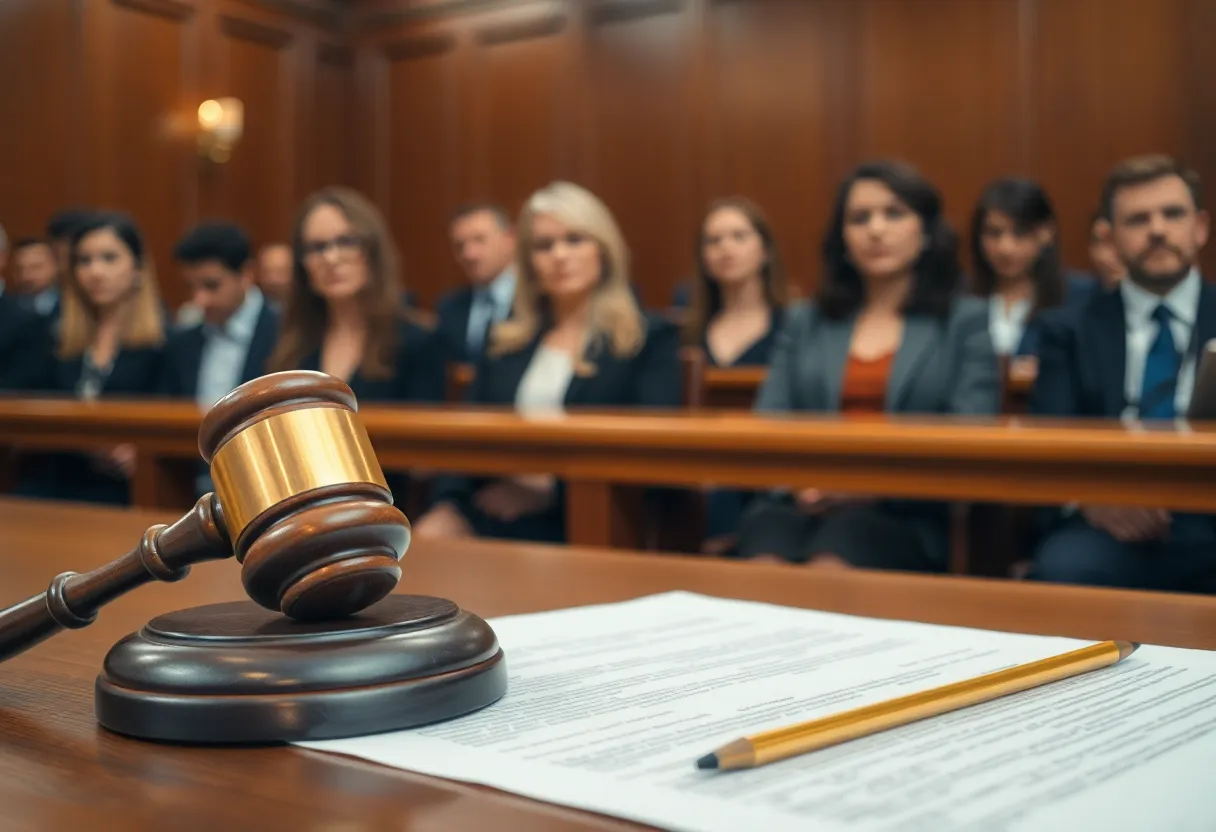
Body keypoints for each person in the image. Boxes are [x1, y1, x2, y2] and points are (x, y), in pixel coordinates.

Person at [736, 160, 1000, 572]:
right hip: (798, 500)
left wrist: (867, 488)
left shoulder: (963, 320)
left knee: (834, 560)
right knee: (762, 563)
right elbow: (769, 419)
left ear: (926, 231)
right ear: (843, 237)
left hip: (903, 510)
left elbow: (971, 435)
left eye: (894, 213)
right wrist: (801, 483)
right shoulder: (807, 320)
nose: (876, 229)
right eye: (860, 218)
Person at [414, 181, 682, 543]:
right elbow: (466, 436)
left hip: (596, 522)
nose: (559, 255)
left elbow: (653, 455)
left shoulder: (648, 338)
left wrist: (552, 491)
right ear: (529, 261)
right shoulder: (507, 342)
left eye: (574, 239)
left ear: (602, 249)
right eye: (544, 245)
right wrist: (449, 504)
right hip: (493, 515)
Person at [1029, 154, 1216, 593]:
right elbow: (1046, 446)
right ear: (1110, 239)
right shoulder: (1068, 330)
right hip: (1107, 519)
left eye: (1172, 214)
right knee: (1064, 569)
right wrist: (1094, 501)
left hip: (1210, 513)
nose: (1157, 229)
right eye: (1138, 219)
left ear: (1201, 227)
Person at [18, 211, 166, 504]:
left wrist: (139, 450)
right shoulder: (57, 341)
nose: (95, 271)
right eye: (84, 261)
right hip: (60, 482)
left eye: (109, 258)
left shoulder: (163, 343)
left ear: (137, 268)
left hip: (131, 490)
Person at [683, 197, 789, 553]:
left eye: (739, 237)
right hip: (697, 469)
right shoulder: (687, 331)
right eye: (713, 241)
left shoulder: (792, 327)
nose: (725, 249)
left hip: (768, 465)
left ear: (766, 250)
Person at [969, 178, 1099, 366]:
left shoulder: (1082, 296)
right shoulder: (959, 295)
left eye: (1020, 233)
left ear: (1046, 233)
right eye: (994, 233)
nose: (1006, 248)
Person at [436, 203, 518, 363]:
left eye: (479, 240)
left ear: (510, 239)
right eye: (460, 246)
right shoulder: (450, 307)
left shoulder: (538, 300)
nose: (469, 254)